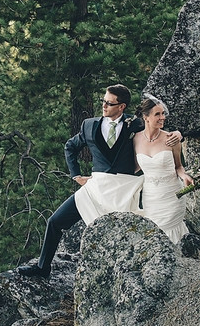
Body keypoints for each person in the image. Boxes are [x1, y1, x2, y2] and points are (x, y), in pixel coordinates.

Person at [17, 84, 182, 278]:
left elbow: (157, 131)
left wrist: (179, 134)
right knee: (55, 221)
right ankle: (43, 268)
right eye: (103, 101)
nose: (104, 106)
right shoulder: (89, 125)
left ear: (122, 106)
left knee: (123, 237)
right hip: (94, 188)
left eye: (109, 103)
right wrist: (76, 175)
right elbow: (70, 147)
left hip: (123, 189)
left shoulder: (135, 124)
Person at [133, 96, 193, 244]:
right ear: (146, 117)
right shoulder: (135, 139)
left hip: (173, 195)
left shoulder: (172, 138)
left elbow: (178, 166)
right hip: (150, 197)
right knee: (154, 231)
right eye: (157, 114)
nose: (162, 118)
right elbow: (134, 168)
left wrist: (184, 176)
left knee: (170, 231)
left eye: (163, 114)